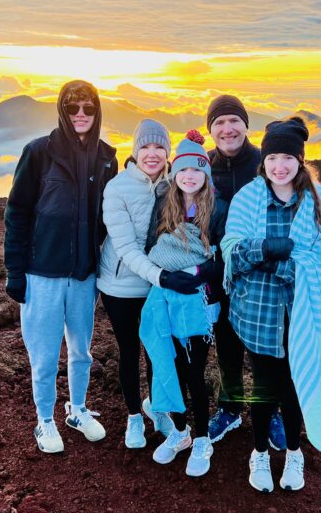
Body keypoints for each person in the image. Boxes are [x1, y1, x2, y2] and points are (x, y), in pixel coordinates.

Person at [222, 117, 321, 493]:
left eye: (288, 158)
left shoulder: (319, 200)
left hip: (302, 312)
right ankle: (259, 452)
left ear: (300, 160)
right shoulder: (248, 198)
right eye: (273, 157)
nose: (280, 166)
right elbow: (231, 250)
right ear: (264, 160)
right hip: (259, 312)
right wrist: (264, 248)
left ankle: (294, 452)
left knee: (295, 385)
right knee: (264, 387)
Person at [4, 80, 118, 454]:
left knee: (82, 351)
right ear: (62, 111)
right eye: (73, 108)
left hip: (84, 275)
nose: (81, 114)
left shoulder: (106, 157)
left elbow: (110, 219)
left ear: (98, 110)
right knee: (45, 354)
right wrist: (15, 273)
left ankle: (78, 410)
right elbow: (17, 214)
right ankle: (44, 420)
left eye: (88, 107)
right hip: (42, 274)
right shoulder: (39, 153)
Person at [139, 129, 227, 477]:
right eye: (183, 170)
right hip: (164, 298)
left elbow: (224, 254)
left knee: (193, 372)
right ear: (174, 173)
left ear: (205, 174)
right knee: (167, 366)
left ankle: (202, 437)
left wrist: (200, 270)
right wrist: (169, 271)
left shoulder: (217, 208)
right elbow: (152, 245)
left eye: (197, 170)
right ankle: (179, 432)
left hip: (198, 302)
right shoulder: (165, 203)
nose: (189, 176)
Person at [205, 95, 286, 450]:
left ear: (245, 125)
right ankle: (230, 407)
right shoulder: (203, 166)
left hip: (264, 276)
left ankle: (272, 412)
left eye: (233, 120)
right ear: (210, 130)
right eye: (219, 123)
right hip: (220, 275)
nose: (227, 129)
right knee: (226, 348)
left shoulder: (265, 162)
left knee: (267, 351)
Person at [98, 119, 177, 449]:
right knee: (130, 351)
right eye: (145, 146)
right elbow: (127, 247)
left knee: (158, 353)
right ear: (135, 150)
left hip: (158, 287)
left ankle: (157, 408)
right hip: (121, 286)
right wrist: (160, 276)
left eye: (159, 146)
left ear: (168, 152)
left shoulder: (177, 184)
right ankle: (133, 417)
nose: (152, 153)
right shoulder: (117, 188)